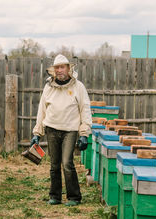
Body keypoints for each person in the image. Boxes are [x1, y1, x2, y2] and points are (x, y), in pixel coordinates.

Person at [30, 54, 92, 207]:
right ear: (54, 70)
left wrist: (84, 133)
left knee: (67, 163)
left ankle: (74, 197)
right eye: (57, 67)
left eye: (62, 67)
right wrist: (37, 133)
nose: (59, 70)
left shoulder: (78, 87)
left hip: (70, 130)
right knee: (54, 164)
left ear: (68, 69)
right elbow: (41, 110)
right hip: (51, 129)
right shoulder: (48, 87)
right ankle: (55, 196)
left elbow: (85, 110)